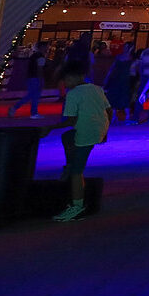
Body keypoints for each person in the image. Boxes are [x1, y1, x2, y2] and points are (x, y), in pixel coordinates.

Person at [53, 56, 109, 223]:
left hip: (86, 134)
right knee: (67, 136)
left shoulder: (73, 94)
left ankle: (77, 206)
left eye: (66, 80)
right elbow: (109, 110)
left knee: (77, 172)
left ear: (75, 77)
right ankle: (71, 164)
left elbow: (70, 120)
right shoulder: (97, 89)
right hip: (98, 129)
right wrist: (105, 131)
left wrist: (49, 128)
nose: (65, 84)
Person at [103, 46, 137, 125]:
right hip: (122, 80)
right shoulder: (129, 58)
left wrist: (107, 78)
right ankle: (122, 117)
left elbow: (112, 69)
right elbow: (112, 69)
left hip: (120, 79)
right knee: (121, 97)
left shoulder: (123, 58)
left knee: (120, 97)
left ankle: (118, 117)